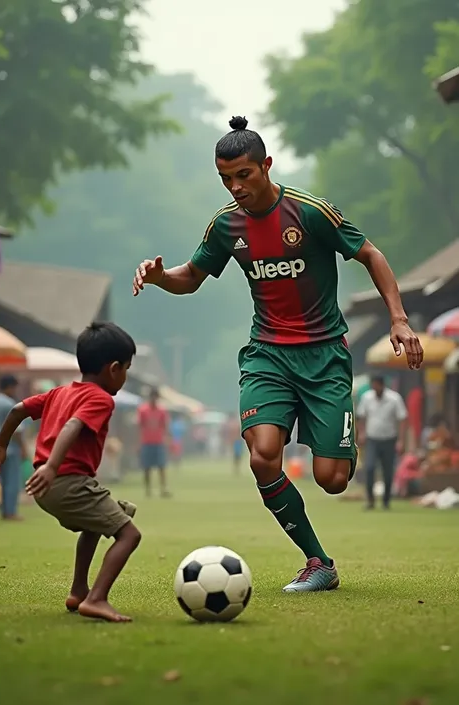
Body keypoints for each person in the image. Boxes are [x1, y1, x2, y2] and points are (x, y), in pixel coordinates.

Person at [132, 116, 423, 593]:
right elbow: (192, 276)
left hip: (325, 355)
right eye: (225, 178)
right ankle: (318, 562)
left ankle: (339, 444)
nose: (235, 186)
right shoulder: (226, 225)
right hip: (267, 355)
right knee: (264, 456)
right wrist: (162, 276)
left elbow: (370, 253)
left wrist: (399, 318)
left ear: (266, 165)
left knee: (331, 480)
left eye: (243, 174)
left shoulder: (310, 212)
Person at [0, 322, 141, 622]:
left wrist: (0, 444)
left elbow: (18, 409)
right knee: (129, 535)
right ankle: (96, 599)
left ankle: (78, 591)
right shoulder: (100, 398)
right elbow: (73, 426)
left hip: (51, 487)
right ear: (114, 368)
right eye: (126, 370)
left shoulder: (59, 392)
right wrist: (53, 466)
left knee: (96, 523)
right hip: (66, 481)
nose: (125, 377)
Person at [356, 375, 408, 510]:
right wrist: (361, 433)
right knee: (369, 468)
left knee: (388, 471)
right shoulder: (367, 398)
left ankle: (386, 500)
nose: (375, 388)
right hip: (372, 439)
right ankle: (370, 500)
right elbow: (361, 417)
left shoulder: (394, 398)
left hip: (389, 439)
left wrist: (401, 440)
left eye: (377, 386)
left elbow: (402, 419)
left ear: (382, 385)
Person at [0, 375, 28, 521]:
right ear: (10, 386)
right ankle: (11, 512)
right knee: (12, 481)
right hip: (10, 448)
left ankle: (5, 510)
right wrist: (23, 447)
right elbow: (17, 430)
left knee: (4, 481)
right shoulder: (9, 403)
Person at [137, 388, 171, 498]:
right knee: (147, 467)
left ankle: (164, 488)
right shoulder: (143, 410)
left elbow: (165, 425)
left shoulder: (162, 411)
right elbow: (139, 426)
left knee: (162, 466)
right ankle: (148, 489)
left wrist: (167, 439)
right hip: (146, 441)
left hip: (159, 441)